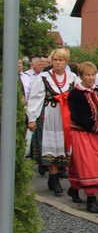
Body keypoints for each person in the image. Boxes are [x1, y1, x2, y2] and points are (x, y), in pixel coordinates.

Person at [26, 47, 76, 195]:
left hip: (65, 116)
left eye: (61, 60)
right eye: (55, 60)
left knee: (62, 146)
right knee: (49, 146)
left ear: (65, 61)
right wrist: (32, 119)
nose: (58, 63)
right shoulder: (44, 77)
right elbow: (35, 98)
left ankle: (53, 177)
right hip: (48, 115)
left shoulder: (72, 77)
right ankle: (54, 179)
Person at [67, 62, 98, 214]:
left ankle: (74, 188)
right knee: (89, 164)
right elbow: (78, 116)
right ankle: (91, 200)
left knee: (89, 162)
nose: (91, 78)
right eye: (87, 75)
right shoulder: (75, 94)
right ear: (81, 76)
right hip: (83, 133)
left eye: (93, 74)